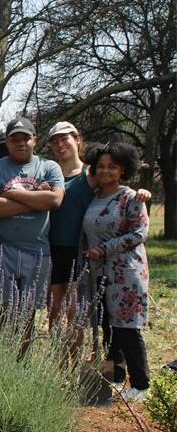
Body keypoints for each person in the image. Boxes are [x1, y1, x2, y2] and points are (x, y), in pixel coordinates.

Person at [47, 121, 151, 327]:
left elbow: (115, 184)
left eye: (64, 139)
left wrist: (141, 192)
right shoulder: (49, 172)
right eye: (55, 141)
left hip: (80, 250)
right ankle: (56, 350)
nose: (60, 144)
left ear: (77, 140)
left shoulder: (91, 173)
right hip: (52, 247)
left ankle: (77, 350)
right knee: (54, 308)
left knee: (75, 311)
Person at [0, 117, 64, 332]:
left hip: (36, 248)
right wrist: (36, 199)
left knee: (28, 314)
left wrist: (13, 194)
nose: (20, 143)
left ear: (34, 140)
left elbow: (54, 200)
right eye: (14, 139)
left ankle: (23, 353)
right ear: (6, 142)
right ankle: (1, 351)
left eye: (25, 138)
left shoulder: (49, 167)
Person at [82, 142, 151, 402]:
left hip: (126, 272)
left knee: (127, 328)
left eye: (112, 166)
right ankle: (116, 378)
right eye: (100, 166)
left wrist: (104, 249)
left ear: (123, 169)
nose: (105, 171)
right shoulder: (95, 196)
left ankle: (141, 384)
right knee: (108, 327)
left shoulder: (131, 197)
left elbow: (139, 233)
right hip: (100, 272)